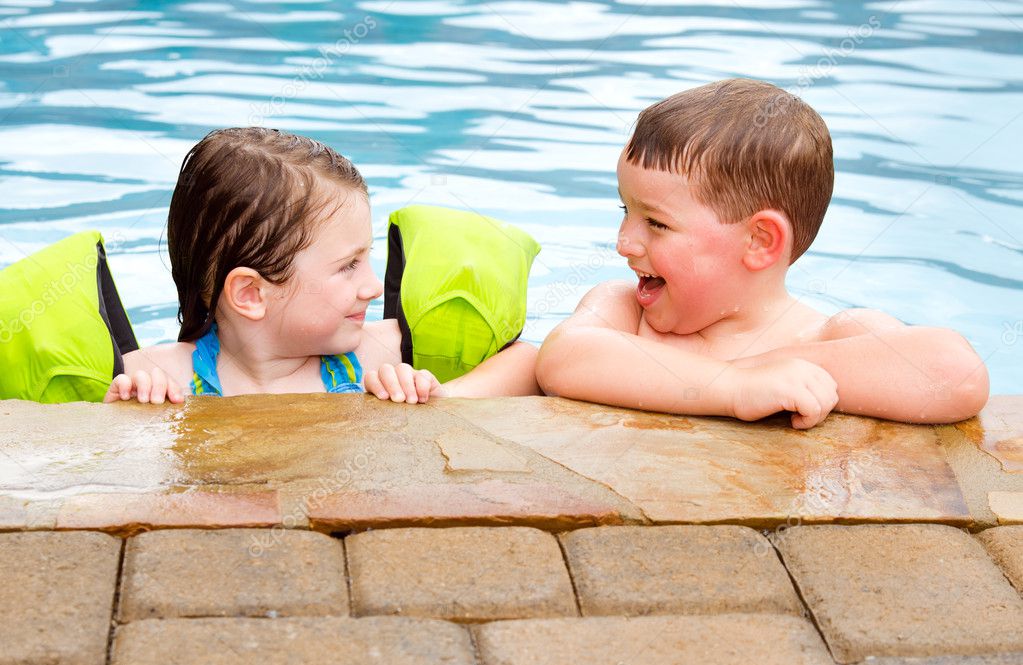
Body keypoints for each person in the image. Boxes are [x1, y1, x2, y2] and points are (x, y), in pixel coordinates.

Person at [536, 78, 988, 428]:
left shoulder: (829, 337)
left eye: (655, 223)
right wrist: (731, 385)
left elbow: (955, 374)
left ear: (759, 242)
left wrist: (779, 368)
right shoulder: (621, 309)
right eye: (624, 210)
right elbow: (563, 358)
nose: (624, 242)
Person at [105, 127, 539, 404]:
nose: (372, 287)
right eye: (348, 266)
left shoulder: (378, 355)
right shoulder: (156, 377)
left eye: (367, 259)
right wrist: (125, 411)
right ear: (251, 294)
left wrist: (441, 395)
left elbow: (528, 364)